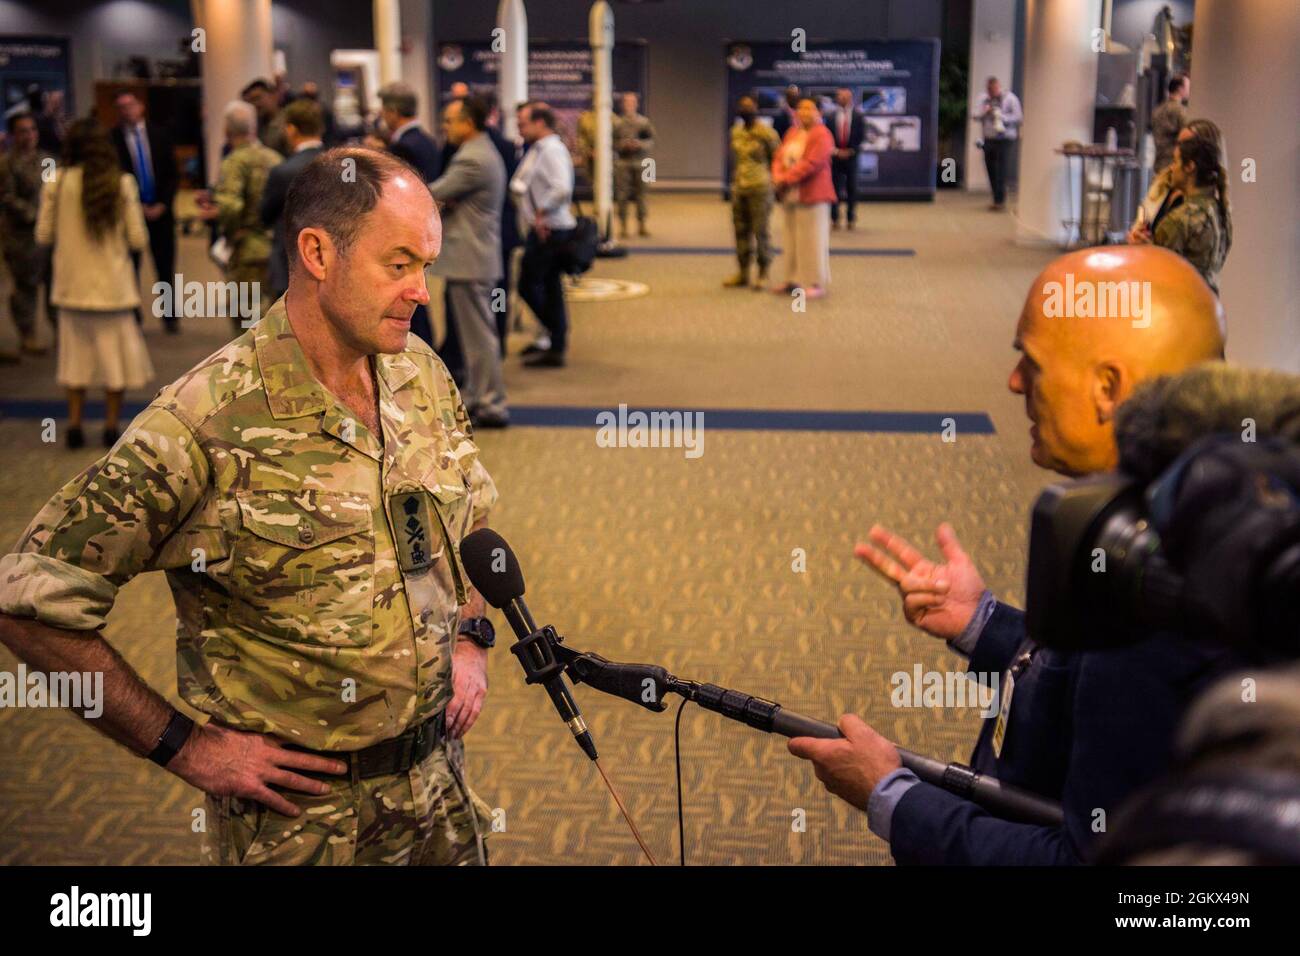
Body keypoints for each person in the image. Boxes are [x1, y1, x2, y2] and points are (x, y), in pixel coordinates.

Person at [0, 146, 498, 866]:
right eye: (400, 264)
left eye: (427, 262)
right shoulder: (203, 421)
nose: (423, 290)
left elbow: (470, 521)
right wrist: (184, 746)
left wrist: (474, 639)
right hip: (302, 824)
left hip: (437, 792)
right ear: (318, 253)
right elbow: (27, 602)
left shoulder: (418, 371)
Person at [787, 245, 1232, 865]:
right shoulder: (1167, 515)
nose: (1014, 380)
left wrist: (892, 798)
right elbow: (1084, 682)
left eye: (1032, 361)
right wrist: (984, 622)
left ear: (1108, 389)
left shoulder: (1156, 598)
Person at [34, 118, 153, 449]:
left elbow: (43, 234)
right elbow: (138, 239)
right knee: (115, 361)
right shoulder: (123, 183)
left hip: (71, 288)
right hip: (114, 289)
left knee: (74, 361)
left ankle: (74, 425)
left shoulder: (55, 182)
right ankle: (111, 426)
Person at [428, 96, 509, 428]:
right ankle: (477, 396)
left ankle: (490, 403)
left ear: (468, 123)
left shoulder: (473, 159)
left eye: (450, 121)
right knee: (476, 338)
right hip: (473, 258)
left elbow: (433, 192)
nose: (445, 127)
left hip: (472, 259)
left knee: (479, 339)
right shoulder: (478, 152)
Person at [1132, 122, 1232, 296]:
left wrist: (1146, 251)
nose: (1172, 167)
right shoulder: (1219, 211)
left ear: (1190, 166)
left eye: (1177, 160)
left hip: (1180, 311)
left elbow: (1159, 277)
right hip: (1207, 307)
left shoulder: (1178, 220)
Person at [511, 104, 575, 369]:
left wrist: (541, 211)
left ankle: (556, 334)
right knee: (549, 288)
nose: (519, 128)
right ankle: (554, 341)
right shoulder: (539, 149)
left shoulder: (552, 150)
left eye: (523, 123)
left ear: (540, 123)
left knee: (529, 284)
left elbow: (561, 188)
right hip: (542, 228)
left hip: (550, 230)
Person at [110, 90, 180, 333]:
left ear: (140, 107)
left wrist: (163, 204)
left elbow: (172, 174)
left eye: (129, 105)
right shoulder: (113, 140)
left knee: (165, 267)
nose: (125, 110)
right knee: (131, 267)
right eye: (120, 107)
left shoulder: (160, 135)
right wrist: (135, 206)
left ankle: (170, 317)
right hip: (130, 214)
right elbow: (115, 178)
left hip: (161, 212)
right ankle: (134, 317)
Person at [261, 98, 326, 303]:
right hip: (335, 263)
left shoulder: (283, 172)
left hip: (292, 265)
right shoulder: (344, 165)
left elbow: (265, 215)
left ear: (291, 129)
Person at [0, 112, 53, 359]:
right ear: (13, 135)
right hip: (21, 236)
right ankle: (27, 335)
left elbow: (54, 190)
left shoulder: (46, 160)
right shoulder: (6, 163)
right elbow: (7, 197)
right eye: (22, 131)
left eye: (32, 130)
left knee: (54, 287)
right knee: (25, 289)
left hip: (49, 237)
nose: (29, 135)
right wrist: (36, 215)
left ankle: (60, 333)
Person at [770, 97, 835, 299]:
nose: (804, 113)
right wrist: (777, 175)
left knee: (812, 240)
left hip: (813, 196)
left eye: (810, 109)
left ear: (819, 113)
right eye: (801, 109)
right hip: (790, 195)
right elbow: (779, 157)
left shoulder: (823, 135)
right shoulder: (792, 132)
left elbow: (811, 164)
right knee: (790, 238)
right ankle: (792, 279)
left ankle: (815, 283)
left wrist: (785, 178)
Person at [723, 95, 779, 290]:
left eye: (750, 106)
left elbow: (776, 160)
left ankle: (763, 273)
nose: (746, 109)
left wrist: (774, 182)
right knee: (740, 230)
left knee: (760, 232)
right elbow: (736, 159)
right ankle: (743, 272)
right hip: (739, 187)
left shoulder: (767, 133)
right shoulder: (736, 132)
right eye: (742, 106)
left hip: (760, 188)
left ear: (757, 109)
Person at [973, 76, 1022, 211]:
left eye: (993, 89)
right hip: (989, 138)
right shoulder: (983, 99)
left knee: (1001, 168)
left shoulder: (1010, 98)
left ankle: (1000, 200)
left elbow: (1018, 117)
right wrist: (985, 112)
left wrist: (1002, 117)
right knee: (990, 168)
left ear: (998, 87)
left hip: (1005, 138)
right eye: (989, 90)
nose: (991, 92)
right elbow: (975, 115)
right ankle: (996, 197)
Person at [377, 82, 441, 182]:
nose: (382, 116)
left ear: (394, 112)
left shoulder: (402, 147)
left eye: (384, 111)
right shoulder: (429, 140)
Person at [612, 92, 656, 238]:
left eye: (632, 102)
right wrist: (622, 145)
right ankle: (623, 226)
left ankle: (642, 224)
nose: (629, 105)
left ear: (637, 104)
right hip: (623, 162)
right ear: (622, 105)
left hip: (645, 163)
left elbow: (652, 141)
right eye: (627, 102)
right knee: (622, 195)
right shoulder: (617, 123)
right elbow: (611, 142)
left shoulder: (644, 122)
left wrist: (640, 144)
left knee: (642, 194)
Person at [827, 88, 865, 230]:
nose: (842, 99)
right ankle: (835, 218)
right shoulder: (830, 116)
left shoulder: (858, 116)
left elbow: (861, 136)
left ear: (851, 98)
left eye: (845, 97)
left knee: (852, 189)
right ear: (837, 98)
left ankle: (850, 218)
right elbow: (827, 137)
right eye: (840, 97)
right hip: (835, 158)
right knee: (834, 189)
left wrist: (851, 150)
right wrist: (836, 151)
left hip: (852, 157)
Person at [1151, 73, 1190, 173]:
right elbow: (1187, 136)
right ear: (1180, 89)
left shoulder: (1157, 110)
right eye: (1187, 87)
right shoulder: (1179, 110)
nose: (1189, 90)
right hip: (1174, 165)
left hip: (1159, 164)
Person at [241, 78, 289, 157]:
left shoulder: (288, 121)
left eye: (257, 98)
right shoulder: (257, 126)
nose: (255, 104)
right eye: (251, 101)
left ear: (274, 96)